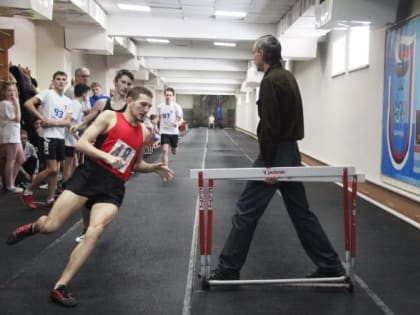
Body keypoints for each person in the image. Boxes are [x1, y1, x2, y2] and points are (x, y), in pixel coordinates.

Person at [6, 86, 174, 307]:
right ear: (130, 100)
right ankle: (33, 228)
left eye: (149, 106)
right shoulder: (109, 117)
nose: (146, 109)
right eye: (143, 104)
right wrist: (106, 157)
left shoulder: (144, 132)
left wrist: (153, 168)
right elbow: (82, 143)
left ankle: (60, 287)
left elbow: (136, 163)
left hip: (113, 188)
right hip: (89, 177)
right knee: (51, 226)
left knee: (93, 232)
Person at [210, 35, 345, 281]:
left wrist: (270, 165)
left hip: (276, 155)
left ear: (262, 53)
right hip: (291, 152)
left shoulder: (271, 80)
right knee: (300, 212)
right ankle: (330, 264)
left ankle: (228, 269)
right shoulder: (288, 76)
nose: (253, 58)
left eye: (254, 53)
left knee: (245, 211)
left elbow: (270, 126)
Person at [73, 69, 134, 243]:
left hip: (115, 157)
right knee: (85, 197)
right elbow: (88, 120)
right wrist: (78, 127)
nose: (125, 86)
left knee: (105, 197)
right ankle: (86, 228)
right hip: (96, 153)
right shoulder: (101, 103)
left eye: (129, 84)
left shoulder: (129, 108)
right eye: (123, 82)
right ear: (115, 83)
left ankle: (96, 225)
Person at [20, 71, 72, 209]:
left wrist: (53, 122)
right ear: (54, 81)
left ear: (66, 82)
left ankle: (50, 199)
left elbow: (67, 122)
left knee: (56, 170)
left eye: (63, 79)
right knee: (52, 168)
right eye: (58, 79)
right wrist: (42, 118)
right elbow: (28, 104)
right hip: (48, 136)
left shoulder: (68, 101)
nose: (61, 82)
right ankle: (28, 190)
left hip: (60, 137)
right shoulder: (47, 94)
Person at [63, 83, 90, 184]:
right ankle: (65, 185)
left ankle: (70, 183)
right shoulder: (75, 104)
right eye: (87, 93)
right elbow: (69, 122)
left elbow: (76, 124)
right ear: (84, 94)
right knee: (68, 164)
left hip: (72, 139)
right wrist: (77, 136)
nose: (87, 96)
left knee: (73, 162)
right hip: (69, 139)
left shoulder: (78, 104)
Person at [0, 82, 25, 193]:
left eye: (13, 90)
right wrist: (17, 103)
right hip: (9, 134)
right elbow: (17, 118)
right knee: (11, 159)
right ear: (4, 92)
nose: (12, 93)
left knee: (21, 158)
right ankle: (9, 185)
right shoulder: (5, 103)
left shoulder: (11, 103)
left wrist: (15, 103)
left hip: (15, 133)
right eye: (9, 90)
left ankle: (10, 182)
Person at [157, 87, 184, 167]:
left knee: (174, 152)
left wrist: (178, 123)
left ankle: (174, 146)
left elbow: (181, 120)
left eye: (170, 95)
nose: (168, 96)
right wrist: (155, 121)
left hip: (174, 132)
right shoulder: (160, 107)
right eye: (167, 95)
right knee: (165, 151)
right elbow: (158, 117)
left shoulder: (176, 107)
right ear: (164, 95)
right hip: (164, 131)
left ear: (173, 96)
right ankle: (165, 169)